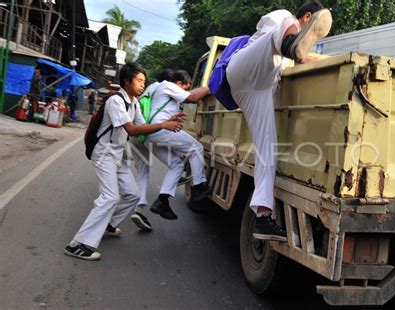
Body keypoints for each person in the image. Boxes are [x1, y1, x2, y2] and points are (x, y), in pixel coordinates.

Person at [225, 1, 332, 241]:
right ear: (307, 17)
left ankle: (262, 216)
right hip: (244, 68)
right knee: (284, 29)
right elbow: (276, 31)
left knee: (267, 150)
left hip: (258, 90)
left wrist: (335, 60)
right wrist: (292, 39)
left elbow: (302, 58)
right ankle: (291, 41)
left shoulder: (291, 49)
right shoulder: (283, 18)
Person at [64, 62, 184, 261]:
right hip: (103, 153)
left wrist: (167, 121)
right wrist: (164, 124)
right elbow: (132, 130)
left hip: (117, 154)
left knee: (132, 194)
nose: (142, 85)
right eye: (139, 81)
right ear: (127, 81)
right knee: (110, 197)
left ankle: (109, 224)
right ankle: (78, 244)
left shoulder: (134, 102)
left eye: (144, 81)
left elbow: (143, 127)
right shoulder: (116, 101)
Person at [131, 70, 211, 225]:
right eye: (185, 88)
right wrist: (211, 86)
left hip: (148, 134)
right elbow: (193, 98)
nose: (184, 92)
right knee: (196, 148)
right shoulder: (168, 85)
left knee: (176, 165)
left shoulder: (152, 88)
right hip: (160, 130)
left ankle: (162, 201)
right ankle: (199, 187)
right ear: (179, 84)